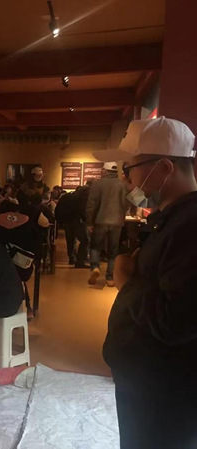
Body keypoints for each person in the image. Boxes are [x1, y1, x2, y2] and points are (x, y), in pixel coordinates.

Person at [96, 117, 197, 449]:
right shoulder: (172, 217)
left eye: (130, 169)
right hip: (146, 384)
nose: (126, 180)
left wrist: (126, 280)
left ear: (165, 167)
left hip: (166, 394)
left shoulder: (190, 225)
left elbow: (176, 321)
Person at [86, 162, 130, 286]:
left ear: (105, 171)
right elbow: (132, 202)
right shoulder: (123, 185)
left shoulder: (97, 184)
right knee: (113, 251)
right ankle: (110, 278)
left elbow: (91, 205)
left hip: (100, 220)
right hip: (117, 222)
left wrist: (89, 222)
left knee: (95, 246)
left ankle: (95, 267)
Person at [55, 187, 89, 267]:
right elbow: (82, 210)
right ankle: (80, 261)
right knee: (85, 240)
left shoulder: (67, 196)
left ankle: (72, 258)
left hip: (66, 220)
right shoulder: (81, 198)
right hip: (76, 220)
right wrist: (86, 219)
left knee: (70, 240)